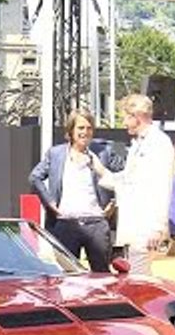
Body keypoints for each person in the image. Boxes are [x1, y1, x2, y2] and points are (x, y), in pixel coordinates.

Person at [93, 94, 175, 275]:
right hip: (134, 226)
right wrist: (101, 170)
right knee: (136, 278)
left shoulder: (159, 143)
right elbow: (128, 180)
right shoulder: (138, 144)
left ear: (136, 116)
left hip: (146, 226)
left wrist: (157, 227)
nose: (123, 123)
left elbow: (162, 185)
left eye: (125, 117)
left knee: (139, 281)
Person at [29, 109, 114, 272]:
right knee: (66, 276)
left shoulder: (102, 153)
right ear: (71, 130)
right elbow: (35, 177)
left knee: (102, 275)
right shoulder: (56, 154)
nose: (85, 132)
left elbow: (122, 178)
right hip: (65, 223)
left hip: (96, 223)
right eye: (80, 128)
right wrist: (49, 203)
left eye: (89, 128)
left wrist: (113, 202)